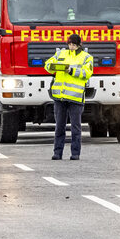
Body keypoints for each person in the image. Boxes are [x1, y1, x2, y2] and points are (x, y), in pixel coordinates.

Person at [44, 33, 93, 161]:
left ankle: (75, 153)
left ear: (79, 45)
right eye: (70, 44)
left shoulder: (86, 57)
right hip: (60, 97)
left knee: (75, 128)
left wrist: (71, 71)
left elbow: (87, 73)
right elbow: (48, 65)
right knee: (59, 127)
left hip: (75, 98)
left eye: (74, 45)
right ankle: (57, 153)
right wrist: (51, 66)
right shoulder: (61, 54)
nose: (71, 47)